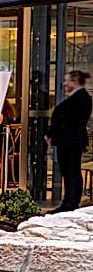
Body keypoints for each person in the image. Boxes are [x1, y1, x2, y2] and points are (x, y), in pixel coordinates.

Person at [46, 69, 92, 212]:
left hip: (70, 140)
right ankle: (70, 201)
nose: (64, 83)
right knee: (71, 171)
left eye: (67, 80)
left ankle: (70, 203)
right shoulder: (80, 98)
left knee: (70, 171)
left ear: (74, 81)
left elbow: (64, 118)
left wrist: (52, 132)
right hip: (70, 139)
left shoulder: (79, 98)